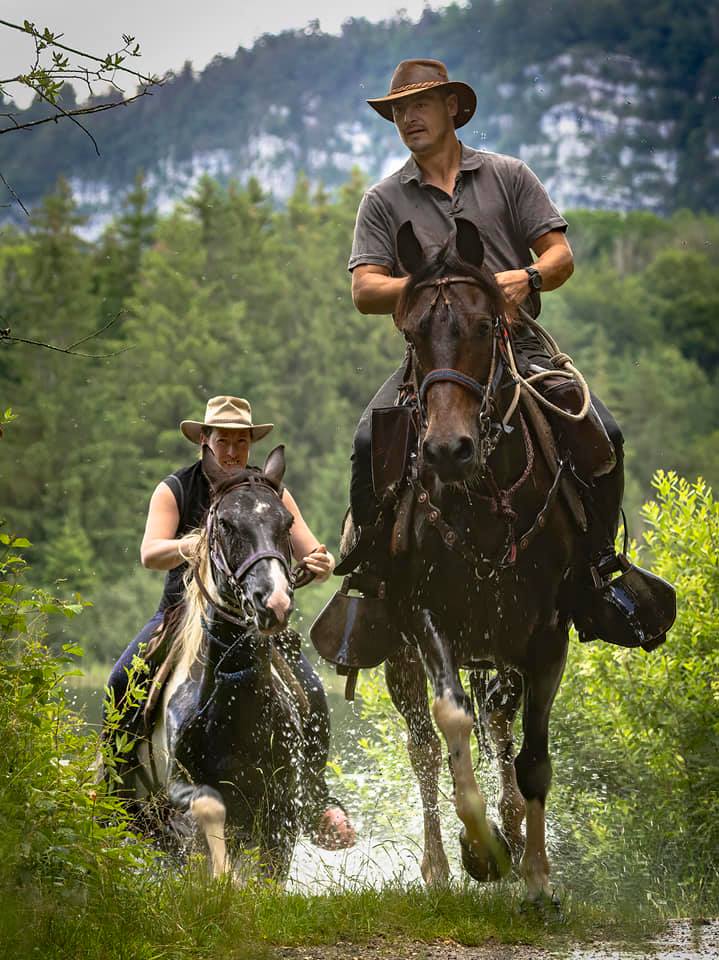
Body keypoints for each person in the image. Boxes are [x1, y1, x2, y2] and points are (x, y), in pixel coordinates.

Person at [344, 58, 670, 649]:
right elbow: (365, 289)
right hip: (435, 353)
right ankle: (375, 578)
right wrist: (438, 293)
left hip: (515, 345)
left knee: (606, 433)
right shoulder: (384, 199)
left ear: (452, 108)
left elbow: (560, 256)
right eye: (398, 110)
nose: (408, 118)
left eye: (420, 104)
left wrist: (526, 278)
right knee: (371, 439)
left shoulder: (509, 175)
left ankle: (596, 569)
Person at [106, 395, 355, 849]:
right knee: (120, 681)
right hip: (183, 613)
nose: (234, 451)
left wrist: (320, 561)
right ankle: (117, 797)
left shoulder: (270, 494)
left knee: (312, 691)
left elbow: (313, 549)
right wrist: (204, 543)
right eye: (224, 440)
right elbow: (150, 553)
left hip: (255, 619)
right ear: (206, 440)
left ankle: (314, 796)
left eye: (242, 441)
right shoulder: (177, 489)